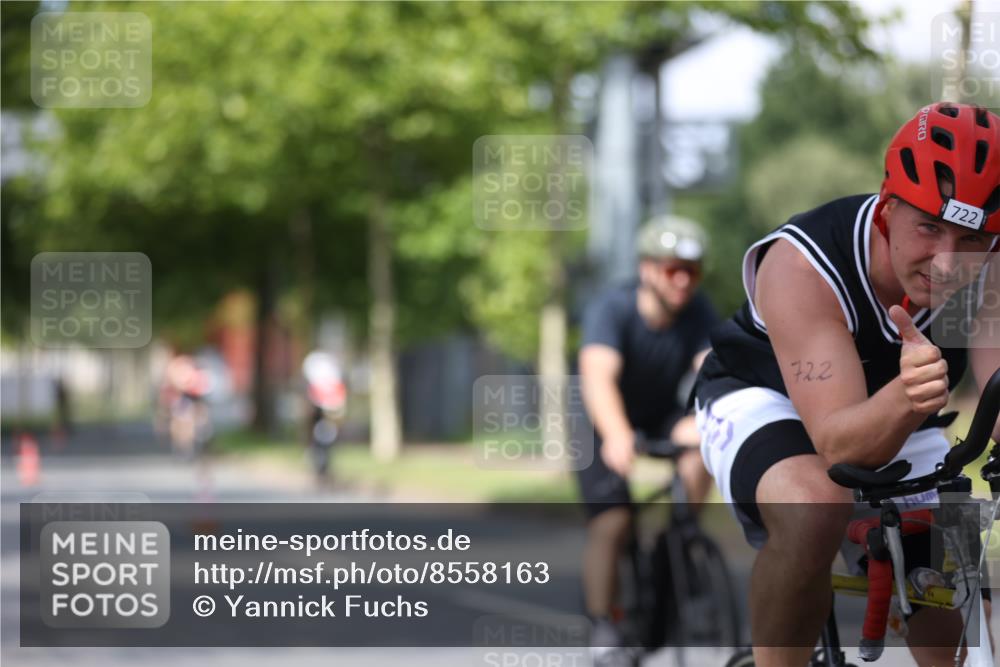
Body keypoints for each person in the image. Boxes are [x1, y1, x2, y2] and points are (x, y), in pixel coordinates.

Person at [693, 102, 999, 666]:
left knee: (949, 599)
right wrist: (905, 395)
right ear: (887, 208)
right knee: (816, 506)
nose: (946, 263)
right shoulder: (803, 264)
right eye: (929, 228)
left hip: (901, 410)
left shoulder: (989, 267)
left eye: (972, 239)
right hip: (765, 398)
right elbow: (839, 446)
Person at [576, 215, 719, 665]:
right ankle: (604, 628)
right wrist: (617, 434)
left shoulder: (698, 312)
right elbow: (598, 377)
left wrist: (714, 416)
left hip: (659, 416)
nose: (683, 280)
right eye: (672, 269)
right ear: (647, 269)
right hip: (601, 419)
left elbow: (711, 368)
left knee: (700, 445)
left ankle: (680, 539)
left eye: (692, 271)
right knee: (613, 523)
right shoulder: (612, 308)